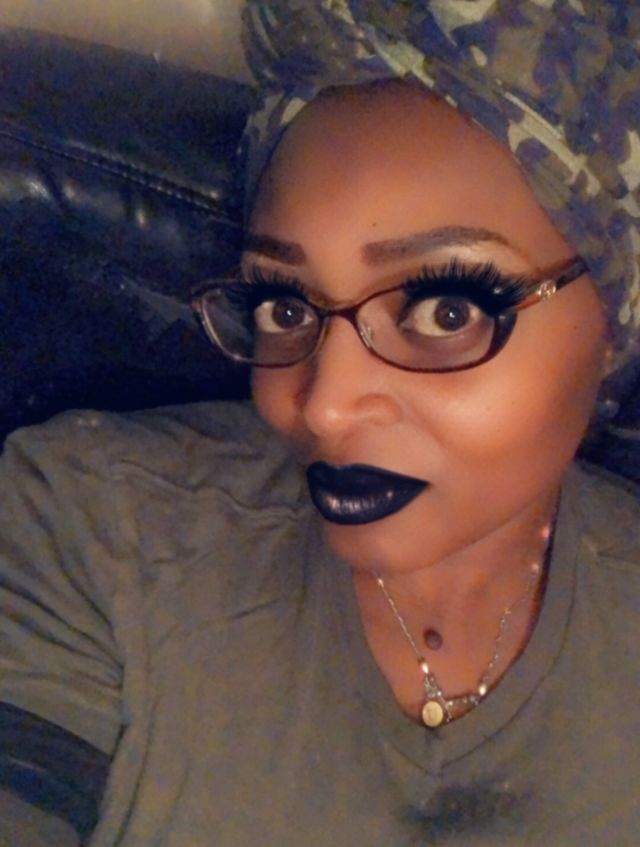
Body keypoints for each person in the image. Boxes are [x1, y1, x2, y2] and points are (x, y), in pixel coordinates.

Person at [1, 1, 640, 845]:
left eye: (446, 310)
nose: (321, 404)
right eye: (285, 306)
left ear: (613, 329)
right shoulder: (92, 526)